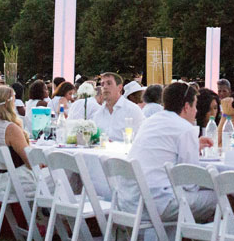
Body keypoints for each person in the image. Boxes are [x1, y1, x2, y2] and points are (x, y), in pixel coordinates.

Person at [121, 82, 215, 221]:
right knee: (221, 197)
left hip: (131, 200)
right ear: (187, 106)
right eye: (195, 105)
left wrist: (194, 146)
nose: (196, 111)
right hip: (159, 204)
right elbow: (189, 183)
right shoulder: (185, 128)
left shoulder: (150, 122)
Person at [0, 85, 33, 194]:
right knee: (59, 178)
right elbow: (30, 162)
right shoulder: (10, 129)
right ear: (8, 104)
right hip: (17, 181)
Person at [90, 72, 144, 142]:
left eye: (109, 83)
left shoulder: (132, 110)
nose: (105, 87)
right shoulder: (98, 113)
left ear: (119, 87)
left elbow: (140, 139)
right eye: (102, 84)